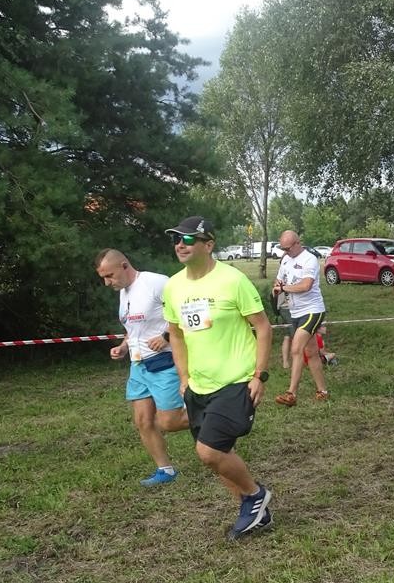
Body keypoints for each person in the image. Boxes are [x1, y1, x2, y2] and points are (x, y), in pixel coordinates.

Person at [161, 216, 274, 541]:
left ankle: (255, 495)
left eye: (188, 239)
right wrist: (184, 377)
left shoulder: (233, 280)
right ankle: (256, 514)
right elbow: (176, 334)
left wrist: (259, 375)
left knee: (209, 451)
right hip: (198, 385)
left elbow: (263, 327)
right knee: (216, 455)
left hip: (236, 380)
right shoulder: (173, 286)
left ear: (208, 245)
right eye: (176, 239)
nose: (180, 245)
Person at [95, 248, 190, 487]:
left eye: (109, 276)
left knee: (170, 422)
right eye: (103, 278)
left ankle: (215, 416)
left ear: (124, 265)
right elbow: (133, 329)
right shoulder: (123, 292)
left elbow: (186, 311)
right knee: (142, 421)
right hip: (138, 364)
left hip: (164, 361)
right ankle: (165, 471)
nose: (107, 283)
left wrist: (166, 336)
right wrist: (123, 347)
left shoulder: (156, 283)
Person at [272, 230, 329, 406]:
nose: (285, 252)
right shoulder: (286, 260)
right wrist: (277, 287)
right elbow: (278, 281)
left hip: (312, 310)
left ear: (298, 243)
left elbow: (306, 285)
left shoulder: (309, 259)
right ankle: (323, 391)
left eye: (288, 248)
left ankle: (291, 394)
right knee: (311, 352)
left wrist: (284, 288)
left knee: (296, 349)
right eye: (283, 249)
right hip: (295, 311)